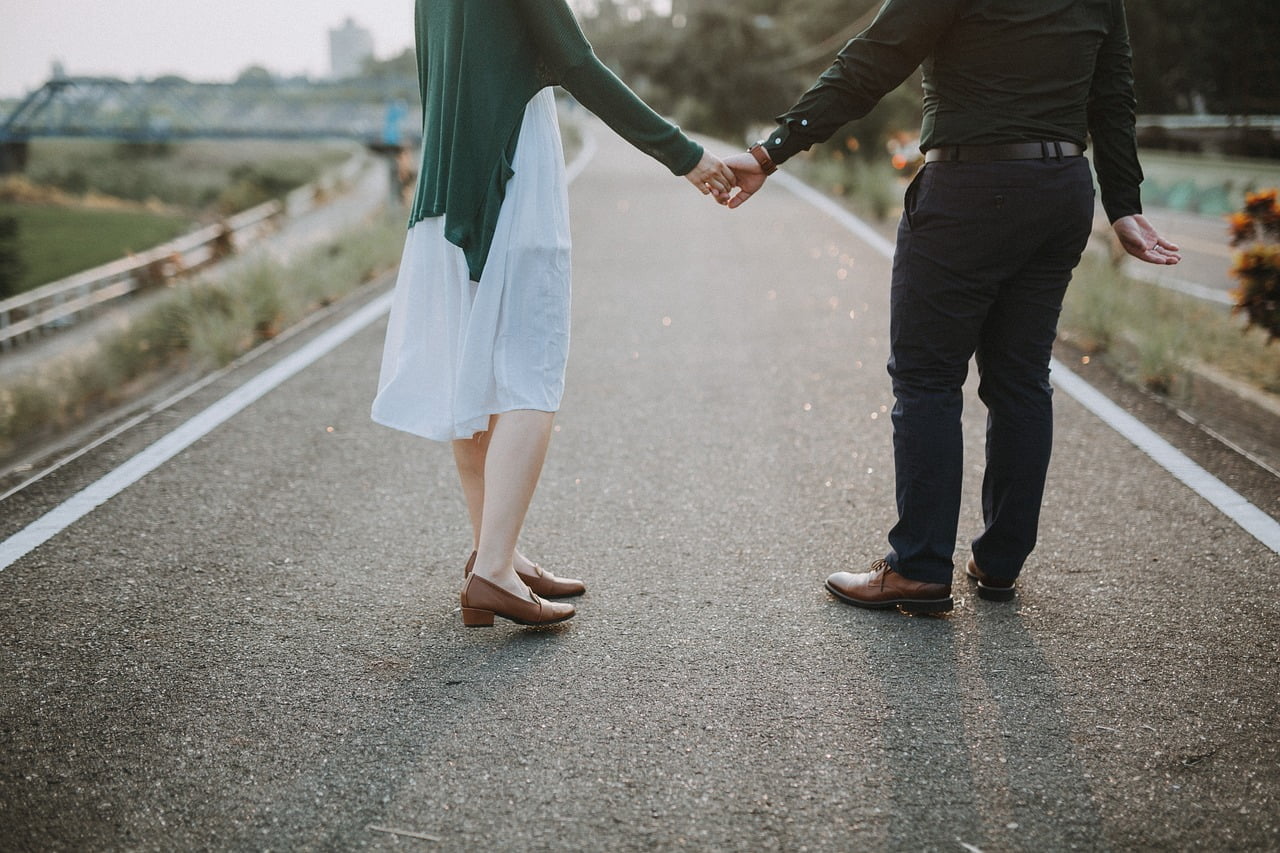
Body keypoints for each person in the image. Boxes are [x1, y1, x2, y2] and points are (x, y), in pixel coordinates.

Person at [723, 0, 1180, 614]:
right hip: (1060, 191)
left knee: (927, 378)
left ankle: (918, 567)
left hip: (969, 188)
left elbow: (871, 63)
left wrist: (769, 152)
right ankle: (998, 563)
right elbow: (1113, 93)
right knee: (1021, 379)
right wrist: (1123, 203)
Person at [372, 0, 734, 627]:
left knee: (473, 380)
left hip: (445, 185)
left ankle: (498, 553)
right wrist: (686, 156)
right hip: (513, 177)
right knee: (531, 373)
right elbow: (579, 65)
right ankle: (492, 574)